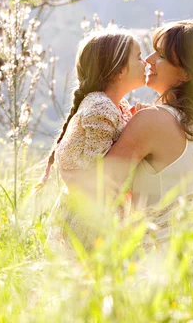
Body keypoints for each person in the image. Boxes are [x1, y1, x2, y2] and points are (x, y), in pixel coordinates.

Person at [105, 20, 193, 287]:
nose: (149, 59)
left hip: (151, 282)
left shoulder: (152, 122)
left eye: (162, 55)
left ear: (186, 73)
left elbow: (96, 186)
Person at [34, 27, 146, 251]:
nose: (146, 64)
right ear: (119, 71)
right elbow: (99, 171)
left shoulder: (115, 105)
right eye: (139, 57)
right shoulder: (100, 107)